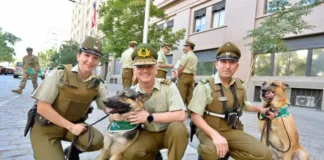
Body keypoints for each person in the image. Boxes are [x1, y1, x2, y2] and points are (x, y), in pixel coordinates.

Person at [188, 42, 275, 160]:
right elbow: (194, 116)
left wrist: (261, 110)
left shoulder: (239, 85)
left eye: (232, 62)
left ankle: (227, 149)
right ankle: (206, 152)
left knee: (265, 154)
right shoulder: (206, 85)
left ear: (237, 66)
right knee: (212, 152)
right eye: (223, 62)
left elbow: (245, 105)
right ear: (217, 64)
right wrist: (216, 136)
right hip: (207, 130)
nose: (227, 66)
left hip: (230, 130)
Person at [29, 36, 109, 160]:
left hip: (73, 127)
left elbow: (108, 108)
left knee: (97, 141)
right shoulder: (60, 74)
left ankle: (72, 151)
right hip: (46, 128)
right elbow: (42, 107)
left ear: (99, 62)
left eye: (95, 58)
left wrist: (122, 112)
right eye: (87, 55)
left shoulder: (98, 83)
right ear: (78, 56)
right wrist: (71, 127)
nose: (90, 60)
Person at [109, 43, 188, 160]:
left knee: (179, 129)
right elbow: (112, 118)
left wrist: (149, 117)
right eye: (140, 67)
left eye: (149, 66)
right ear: (134, 71)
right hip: (146, 133)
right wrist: (117, 116)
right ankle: (153, 155)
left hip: (168, 132)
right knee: (130, 152)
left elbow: (181, 115)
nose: (145, 70)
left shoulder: (168, 87)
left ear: (156, 69)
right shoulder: (130, 93)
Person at [177, 40, 198, 107]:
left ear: (189, 47)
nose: (184, 48)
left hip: (184, 76)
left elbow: (181, 67)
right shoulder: (195, 57)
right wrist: (193, 81)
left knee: (181, 95)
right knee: (190, 96)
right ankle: (190, 113)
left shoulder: (186, 55)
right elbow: (194, 71)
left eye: (185, 46)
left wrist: (178, 75)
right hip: (191, 77)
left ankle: (180, 112)